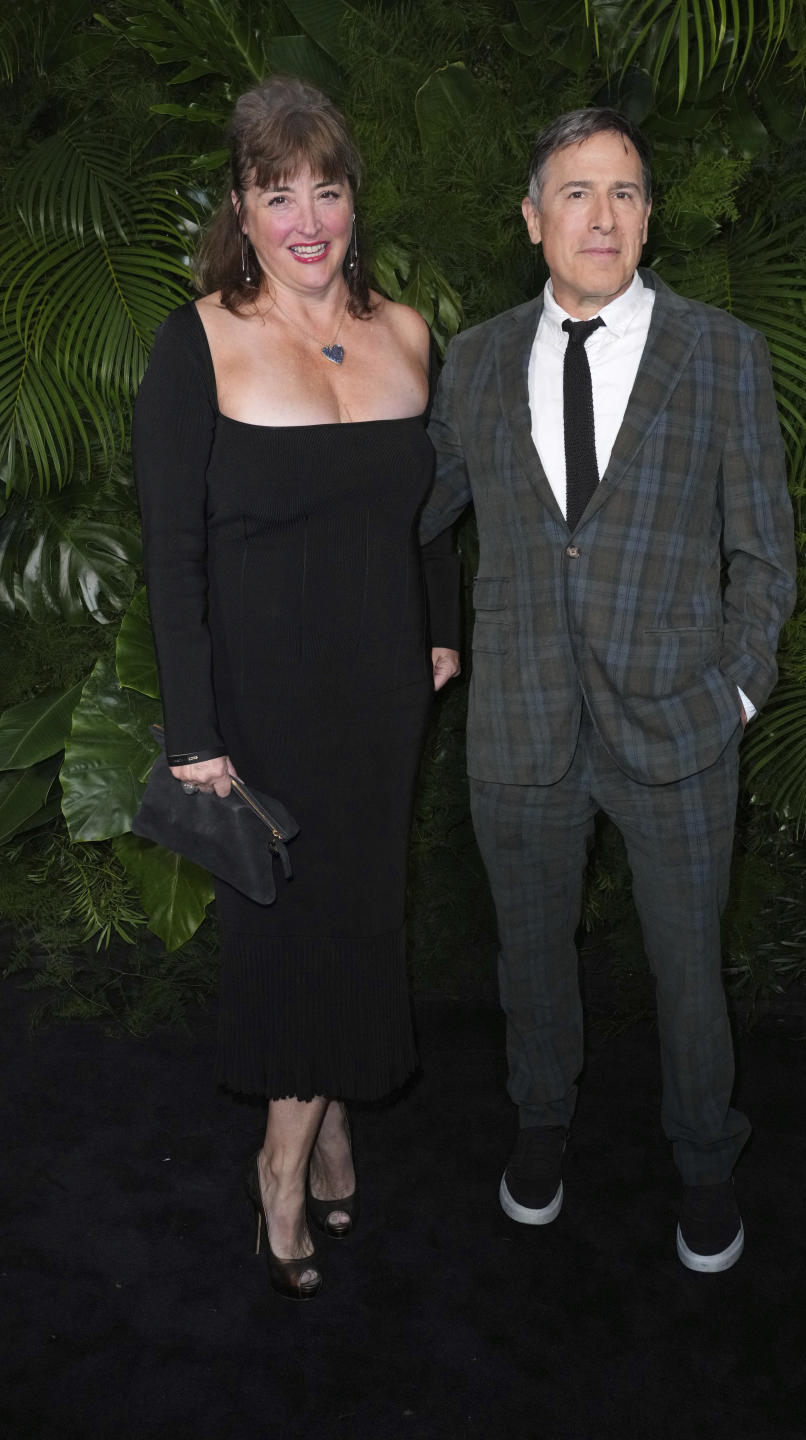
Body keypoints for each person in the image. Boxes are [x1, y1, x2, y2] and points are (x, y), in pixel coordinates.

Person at [419, 108, 796, 1272]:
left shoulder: (720, 351)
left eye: (626, 192)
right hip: (521, 722)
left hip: (680, 723)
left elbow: (765, 554)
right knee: (528, 953)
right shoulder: (474, 360)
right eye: (577, 193)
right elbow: (415, 521)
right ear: (533, 220)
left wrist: (735, 690)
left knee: (689, 968)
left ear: (648, 218)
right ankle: (542, 1125)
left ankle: (705, 1158)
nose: (603, 214)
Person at [133, 77, 460, 1300]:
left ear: (352, 198)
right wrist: (195, 733)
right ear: (243, 206)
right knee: (286, 926)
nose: (307, 217)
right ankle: (284, 1161)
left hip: (379, 688)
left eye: (326, 188)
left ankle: (322, 1122)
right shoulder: (199, 339)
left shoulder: (411, 332)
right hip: (259, 699)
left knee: (363, 913)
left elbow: (431, 512)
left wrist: (442, 628)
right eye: (280, 193)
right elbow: (173, 552)